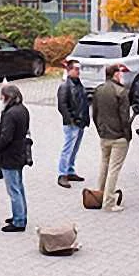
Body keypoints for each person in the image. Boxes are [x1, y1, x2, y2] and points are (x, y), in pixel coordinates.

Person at [87, 63, 132, 211]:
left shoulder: (98, 90)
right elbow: (124, 117)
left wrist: (100, 130)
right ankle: (109, 202)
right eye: (120, 73)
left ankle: (99, 195)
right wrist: (127, 135)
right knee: (114, 169)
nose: (122, 75)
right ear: (115, 74)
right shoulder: (121, 92)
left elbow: (95, 114)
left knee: (104, 165)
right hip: (118, 136)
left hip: (104, 135)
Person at [0, 84, 30, 232]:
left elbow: (5, 137)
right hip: (19, 153)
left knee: (13, 189)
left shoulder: (10, 114)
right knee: (19, 186)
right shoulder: (23, 109)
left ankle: (19, 220)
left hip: (10, 155)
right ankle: (20, 214)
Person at [56, 59, 89, 188]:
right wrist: (71, 120)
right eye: (76, 69)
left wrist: (85, 119)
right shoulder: (65, 86)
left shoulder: (78, 83)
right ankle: (62, 174)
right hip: (72, 123)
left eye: (79, 69)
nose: (78, 71)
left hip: (80, 122)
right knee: (68, 148)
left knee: (75, 148)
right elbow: (62, 106)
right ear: (69, 70)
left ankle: (70, 170)